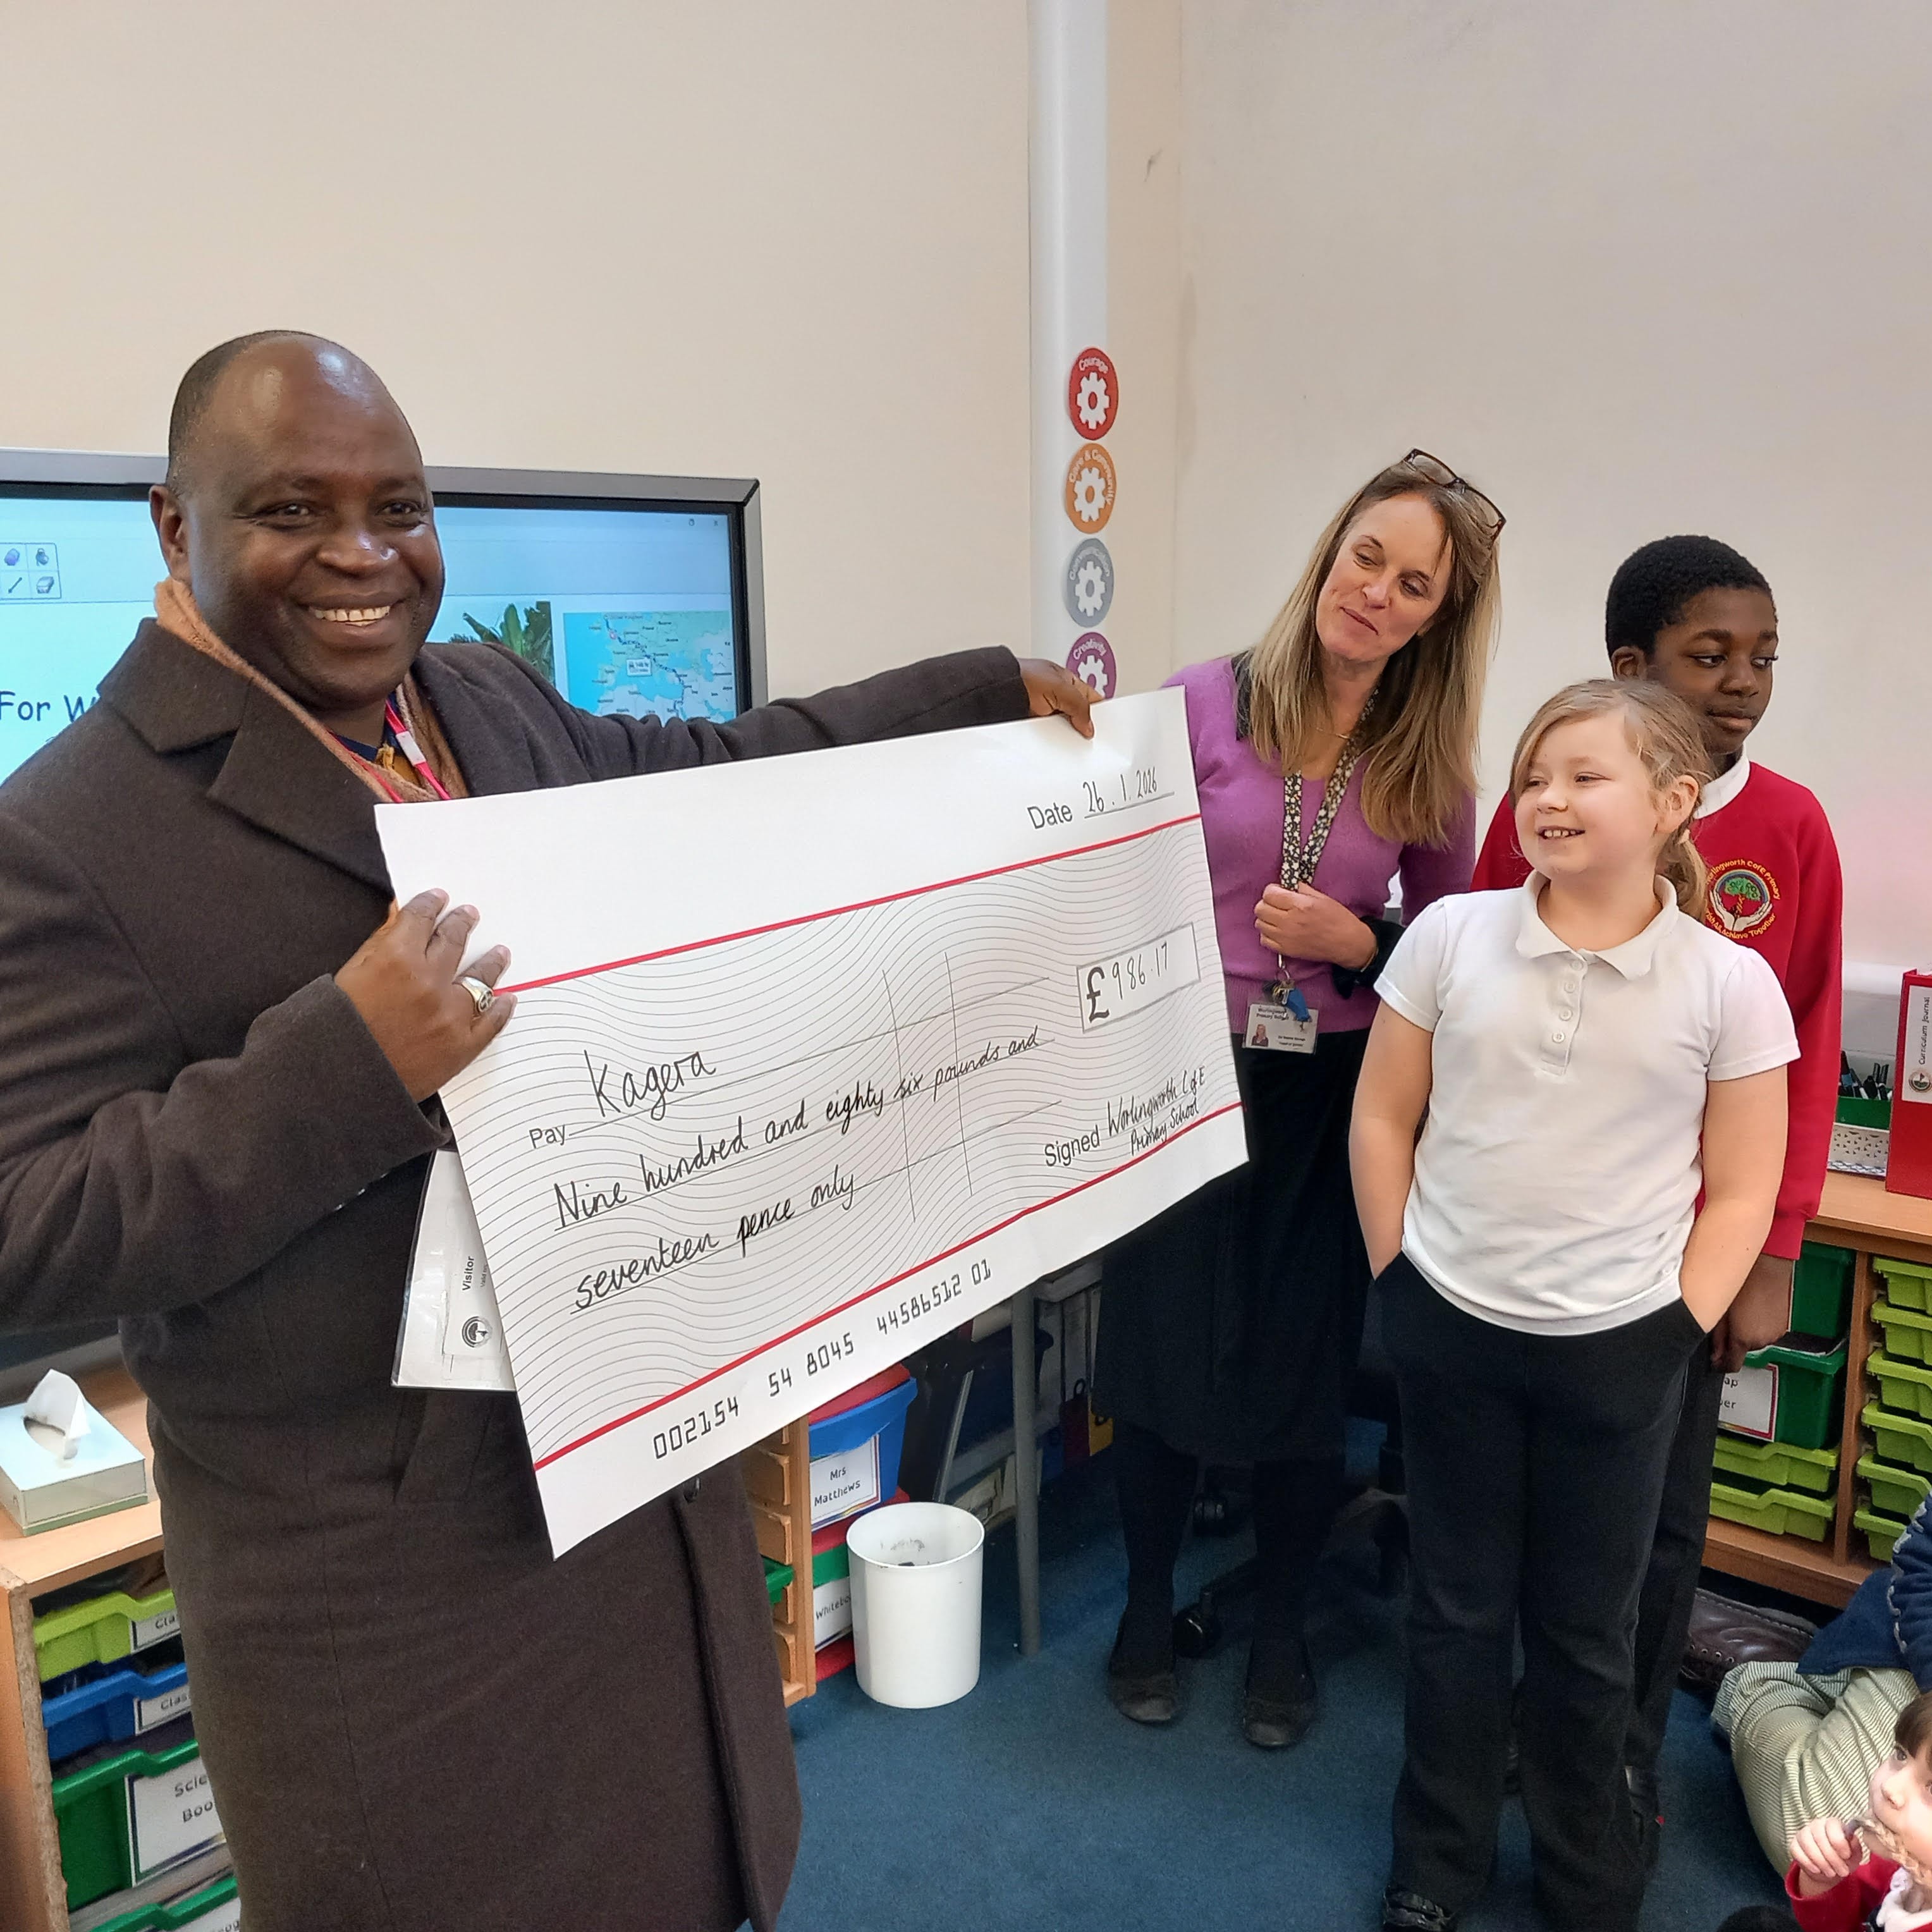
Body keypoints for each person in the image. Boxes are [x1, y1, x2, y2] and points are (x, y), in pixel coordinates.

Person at [0, 331, 1096, 1932]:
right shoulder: (66, 830)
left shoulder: (477, 698)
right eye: (294, 510)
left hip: (629, 1487)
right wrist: (346, 1063)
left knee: (686, 1874)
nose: (364, 554)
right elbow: (27, 1223)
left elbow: (712, 778)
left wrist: (972, 700)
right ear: (175, 527)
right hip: (393, 1604)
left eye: (400, 507)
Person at [1354, 679, 1798, 1932]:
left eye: (1582, 776)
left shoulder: (1725, 983)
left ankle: (1585, 1870)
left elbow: (1742, 1188)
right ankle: (1436, 1860)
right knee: (1453, 1613)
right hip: (1450, 1329)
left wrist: (1669, 1331)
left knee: (1587, 1630)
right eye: (1532, 776)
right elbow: (1382, 1116)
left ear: (1670, 802)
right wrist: (1396, 1277)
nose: (1546, 798)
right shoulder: (1450, 936)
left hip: (1618, 1353)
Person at [1093, 450, 1502, 1746]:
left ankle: (1280, 1626)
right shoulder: (1199, 701)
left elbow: (1452, 958)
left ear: (1436, 618)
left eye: (1413, 584)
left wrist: (1357, 939)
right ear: (1330, 555)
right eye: (1366, 557)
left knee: (1299, 1361)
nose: (1376, 592)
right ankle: (1143, 1605)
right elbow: (1113, 870)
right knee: (1157, 1346)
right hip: (1180, 1068)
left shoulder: (1428, 764)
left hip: (1329, 1087)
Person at [1471, 535, 1844, 1854]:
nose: (1743, 681)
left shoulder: (1791, 828)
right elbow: (1470, 1014)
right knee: (1525, 1513)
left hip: (1693, 1250)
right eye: (1708, 655)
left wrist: (1775, 1246)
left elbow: (1806, 1052)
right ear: (1632, 664)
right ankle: (1514, 1726)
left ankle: (1618, 1753)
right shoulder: (1547, 808)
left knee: (1660, 1521)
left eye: (1762, 658)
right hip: (1539, 1242)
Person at [1718, 1490, 1932, 1870]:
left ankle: (1829, 1684)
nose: (1891, 1788)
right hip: (1914, 1654)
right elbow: (1922, 1560)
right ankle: (1760, 1679)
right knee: (1835, 1850)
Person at [1782, 1689, 1932, 1928]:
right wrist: (1822, 1880)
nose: (1889, 1787)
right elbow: (1838, 1925)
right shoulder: (1896, 1868)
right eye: (1901, 1755)